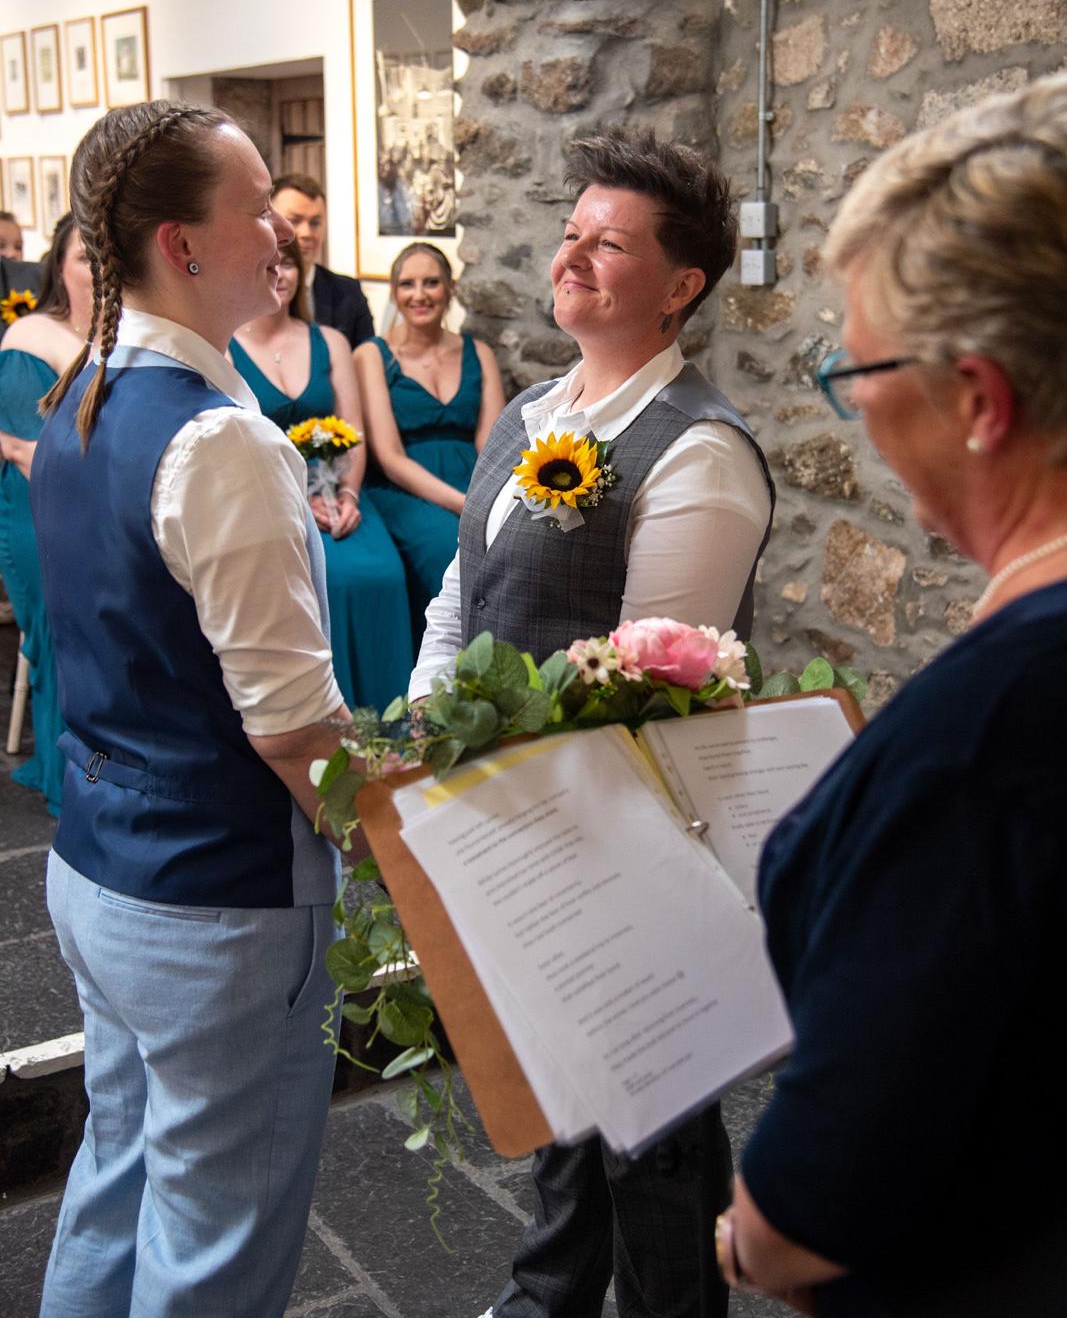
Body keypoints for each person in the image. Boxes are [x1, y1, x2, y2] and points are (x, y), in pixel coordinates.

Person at [715, 72, 1067, 1317]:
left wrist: (742, 1243)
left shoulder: (987, 733)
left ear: (977, 398)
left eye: (857, 365)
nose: (851, 399)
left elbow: (810, 1216)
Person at [410, 128, 775, 1318]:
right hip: (518, 809)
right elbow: (464, 588)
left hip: (628, 832)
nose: (572, 255)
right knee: (565, 1083)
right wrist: (420, 738)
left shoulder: (698, 454)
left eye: (607, 244)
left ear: (679, 289)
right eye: (571, 231)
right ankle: (549, 1293)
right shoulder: (529, 409)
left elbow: (641, 685)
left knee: (654, 1122)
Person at [31, 101, 355, 1318]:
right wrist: (386, 838)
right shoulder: (217, 438)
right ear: (181, 243)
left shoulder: (85, 391)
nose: (277, 225)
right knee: (216, 1234)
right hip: (213, 901)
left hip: (97, 866)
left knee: (118, 1178)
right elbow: (288, 724)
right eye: (254, 202)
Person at [230, 240, 413, 711]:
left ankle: (391, 725)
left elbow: (353, 433)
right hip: (266, 489)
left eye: (287, 263)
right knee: (330, 577)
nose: (279, 273)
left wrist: (349, 494)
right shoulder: (224, 346)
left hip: (338, 484)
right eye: (267, 263)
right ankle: (331, 726)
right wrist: (297, 501)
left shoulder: (330, 340)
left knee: (383, 574)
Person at [355, 241, 504, 646]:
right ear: (394, 292)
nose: (419, 295)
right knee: (446, 550)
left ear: (450, 288)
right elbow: (389, 458)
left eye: (431, 283)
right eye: (407, 284)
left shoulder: (480, 352)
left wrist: (489, 500)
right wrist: (464, 506)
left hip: (475, 480)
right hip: (406, 487)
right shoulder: (372, 355)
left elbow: (493, 444)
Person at [0, 213, 91, 814]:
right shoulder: (30, 339)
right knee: (79, 606)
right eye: (85, 255)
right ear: (58, 266)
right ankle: (81, 776)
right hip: (44, 513)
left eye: (108, 252)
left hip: (114, 504)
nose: (99, 266)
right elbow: (35, 454)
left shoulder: (137, 336)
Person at [271, 172, 374, 349]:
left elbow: (366, 361)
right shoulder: (245, 293)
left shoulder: (348, 294)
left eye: (315, 223)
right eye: (294, 221)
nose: (306, 233)